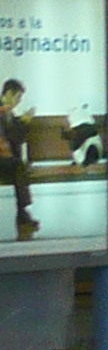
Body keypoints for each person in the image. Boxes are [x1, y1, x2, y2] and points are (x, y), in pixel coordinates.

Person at [0, 80, 32, 239]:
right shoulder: (3, 111)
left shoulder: (8, 113)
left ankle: (22, 212)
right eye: (18, 97)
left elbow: (14, 139)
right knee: (18, 166)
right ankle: (22, 213)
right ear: (8, 94)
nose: (19, 101)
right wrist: (23, 123)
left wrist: (21, 123)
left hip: (5, 159)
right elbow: (11, 137)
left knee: (18, 166)